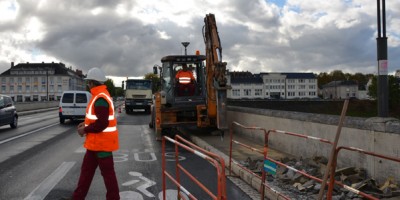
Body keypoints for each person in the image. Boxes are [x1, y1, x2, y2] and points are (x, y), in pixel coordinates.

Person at [72, 67, 120, 200]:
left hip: (102, 144)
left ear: (93, 83)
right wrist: (85, 124)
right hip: (94, 145)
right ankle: (77, 197)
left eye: (89, 82)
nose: (88, 85)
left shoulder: (100, 98)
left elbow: (102, 123)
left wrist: (84, 130)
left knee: (108, 176)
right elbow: (97, 120)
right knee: (86, 173)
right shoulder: (99, 96)